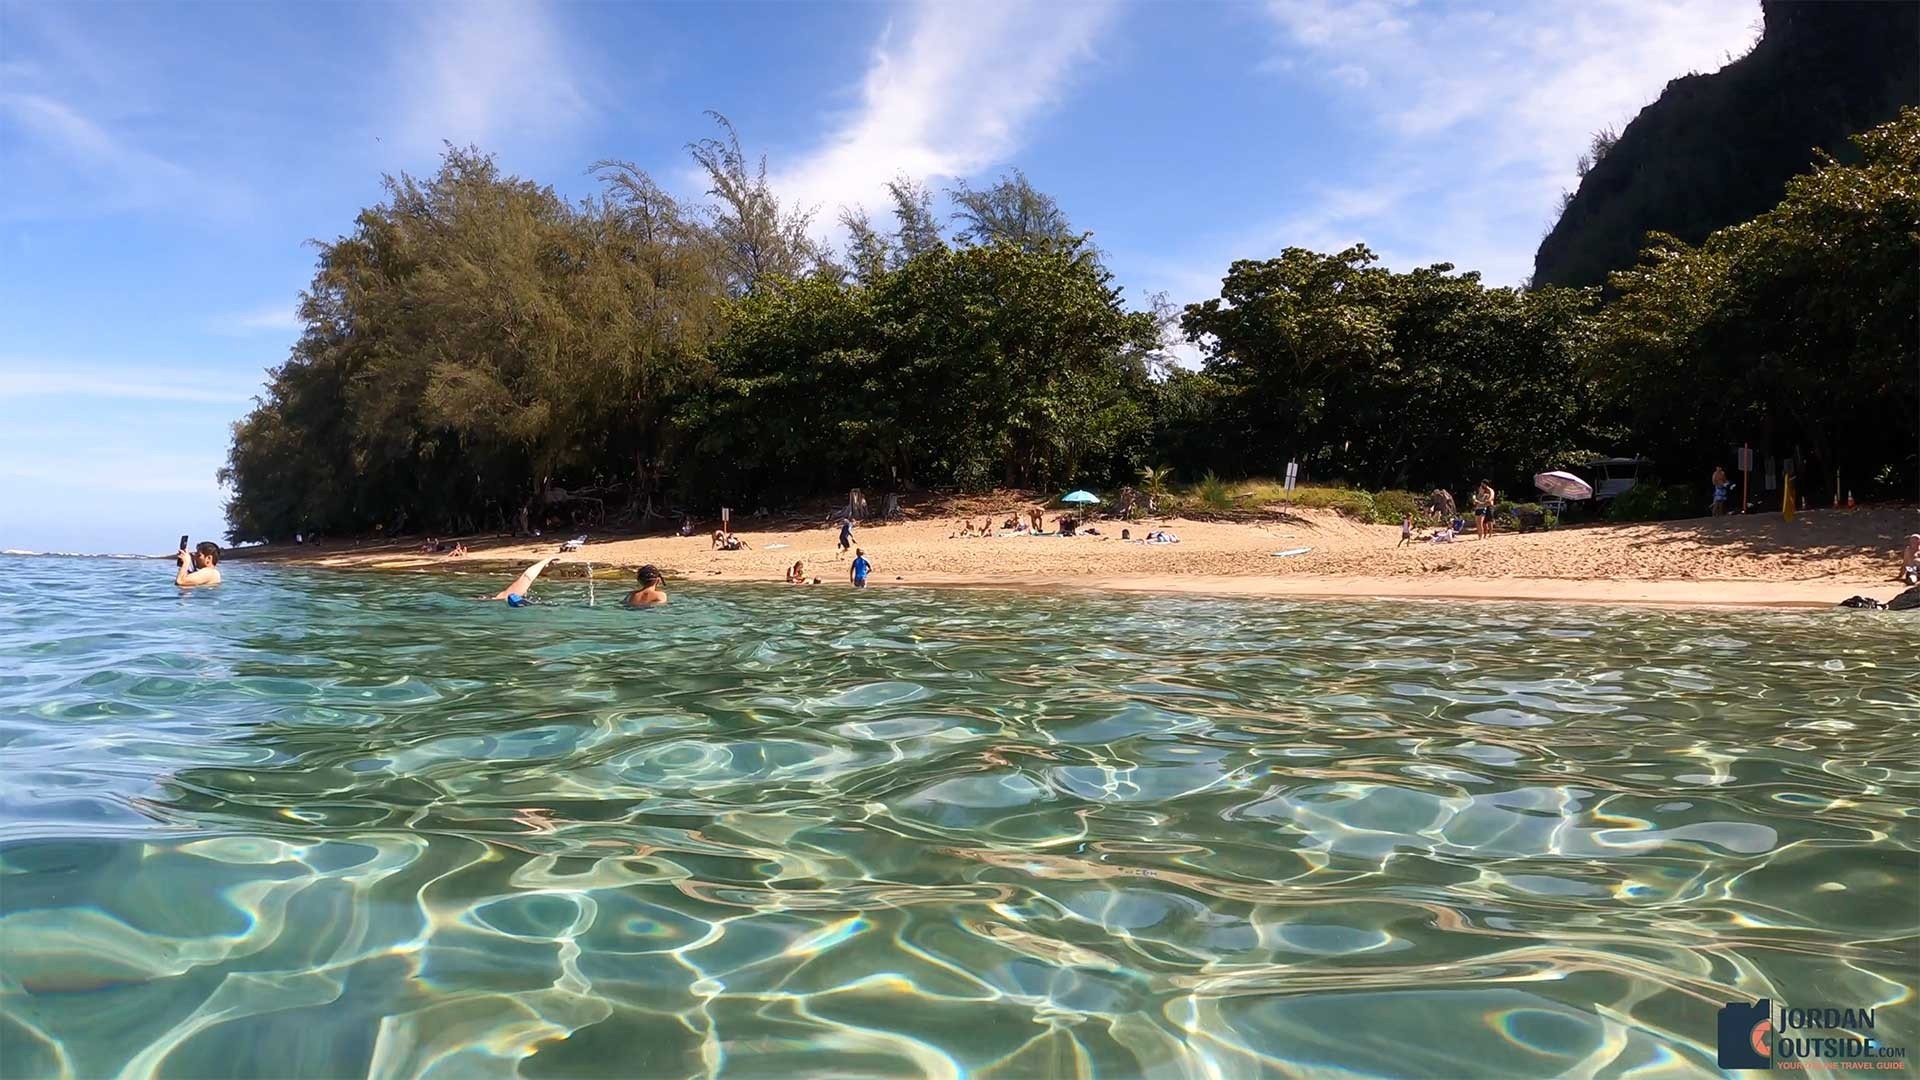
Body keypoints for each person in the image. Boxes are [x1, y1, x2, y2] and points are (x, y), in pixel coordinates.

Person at [490, 556, 558, 605]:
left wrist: (546, 561)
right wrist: (546, 560)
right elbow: (527, 576)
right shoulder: (506, 596)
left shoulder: (502, 597)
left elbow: (527, 577)